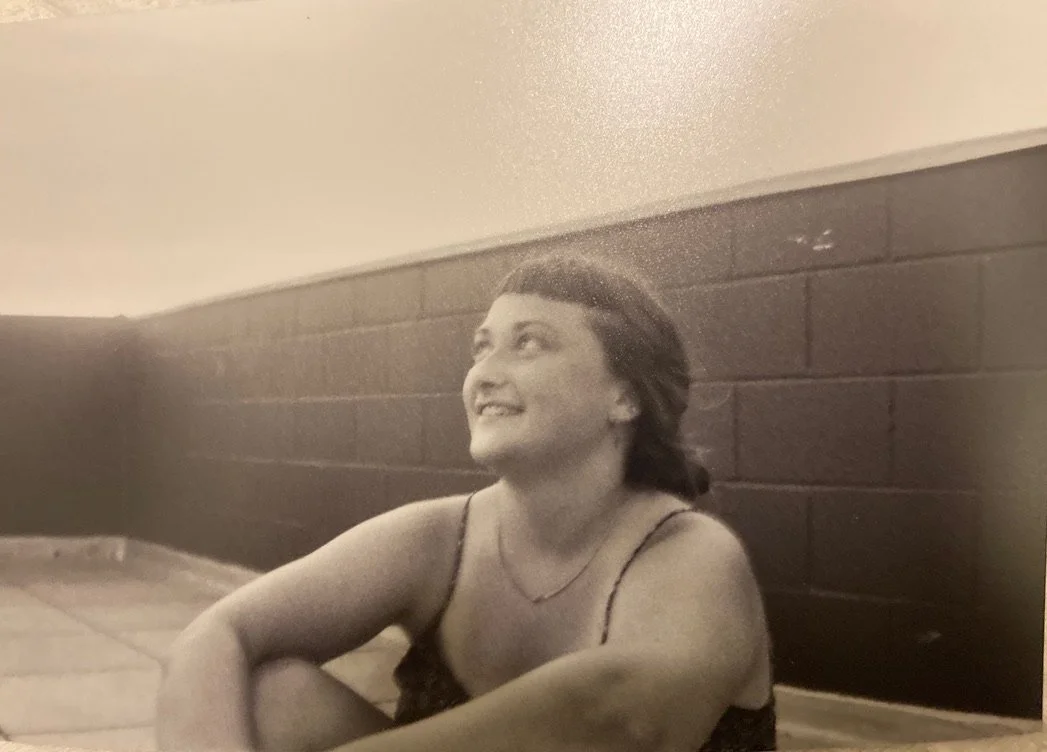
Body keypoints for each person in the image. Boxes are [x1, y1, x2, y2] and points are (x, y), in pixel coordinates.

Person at [156, 252, 776, 752]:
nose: (484, 372)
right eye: (482, 347)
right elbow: (216, 635)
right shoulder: (438, 536)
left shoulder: (690, 554)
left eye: (528, 343)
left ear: (625, 396)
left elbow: (613, 716)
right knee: (274, 699)